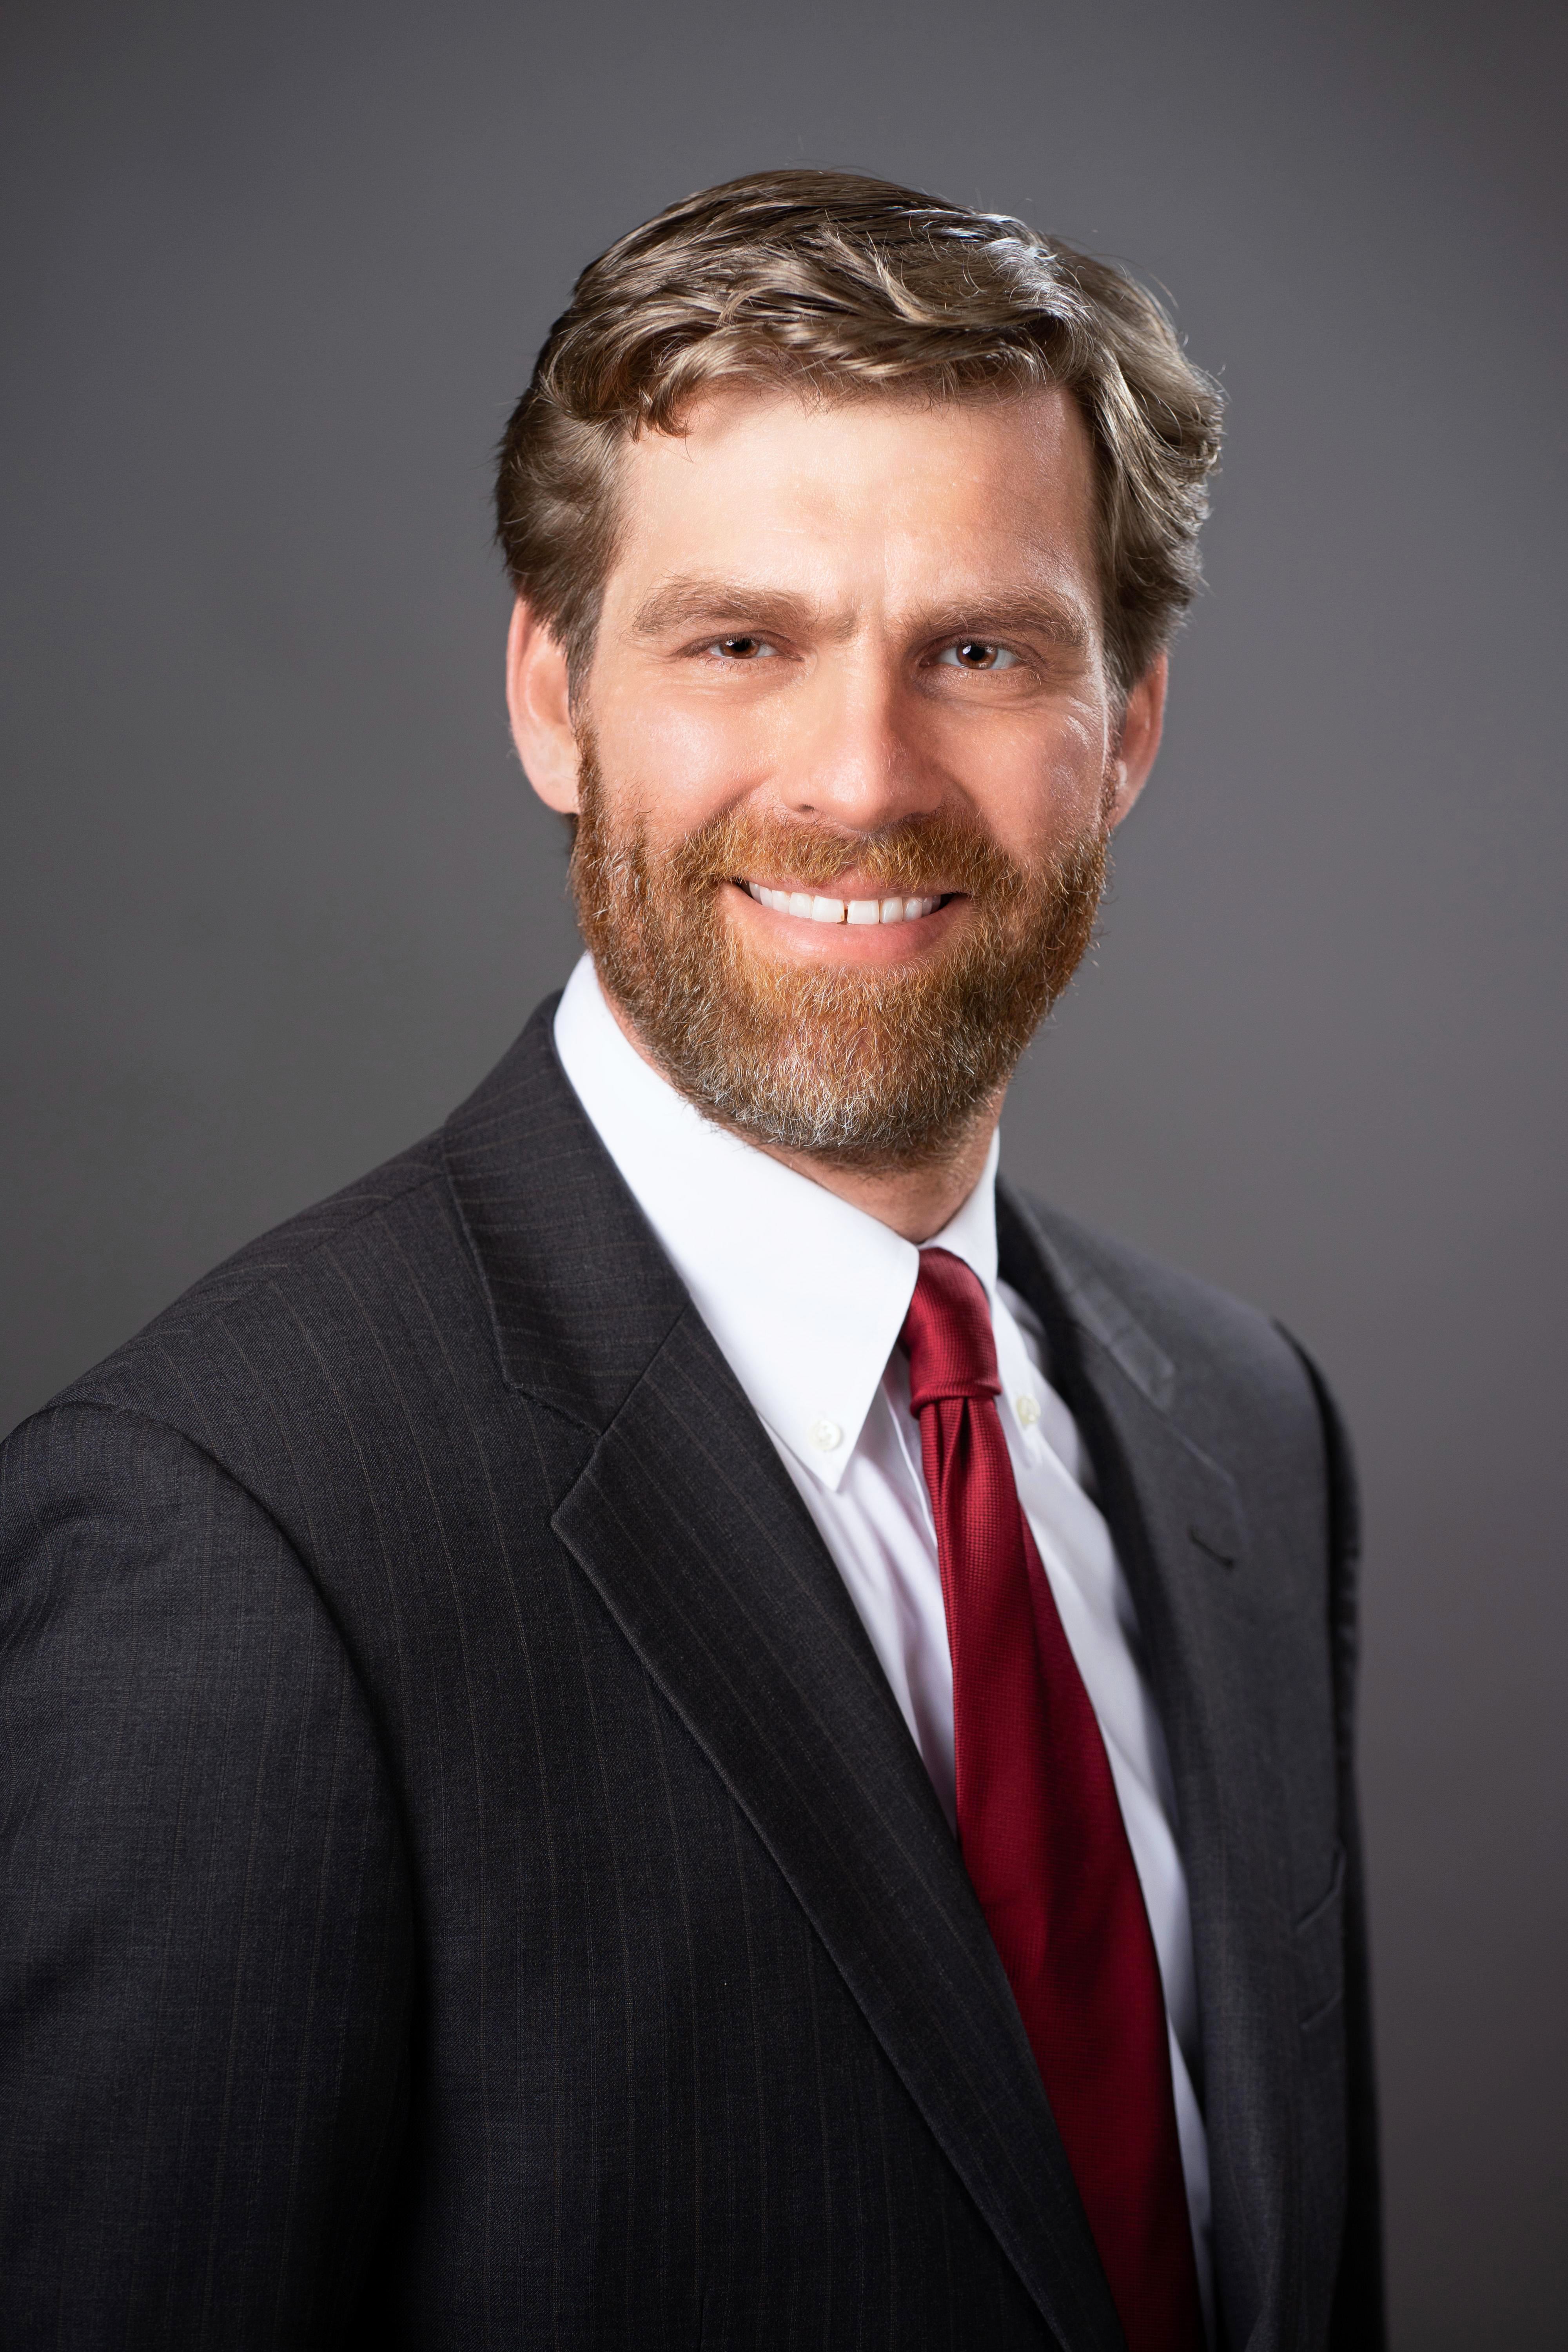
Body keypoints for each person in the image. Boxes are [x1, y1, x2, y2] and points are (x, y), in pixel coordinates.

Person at [0, 170, 1381, 2350]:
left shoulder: (1249, 1434)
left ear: (1125, 726)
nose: (860, 778)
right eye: (741, 643)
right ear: (553, 699)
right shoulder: (230, 1544)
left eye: (982, 650)